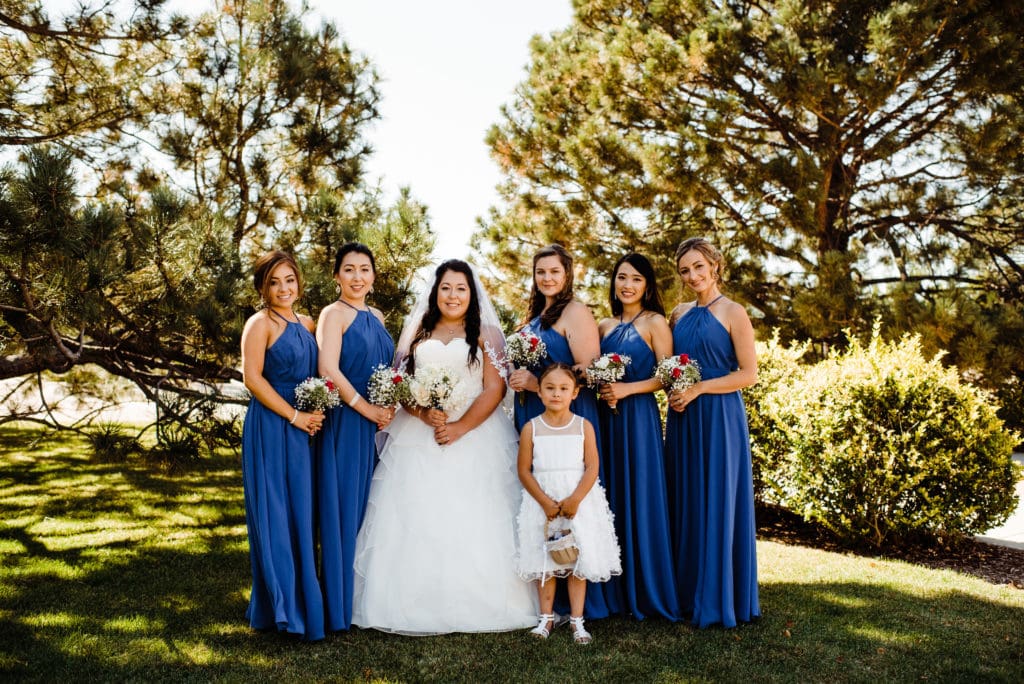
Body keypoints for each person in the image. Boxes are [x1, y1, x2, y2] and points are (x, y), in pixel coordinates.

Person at [351, 259, 537, 634]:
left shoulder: (486, 333)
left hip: (476, 431)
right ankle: (408, 599)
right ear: (435, 292)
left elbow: (493, 388)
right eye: (446, 288)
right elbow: (401, 383)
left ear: (472, 294)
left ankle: (481, 600)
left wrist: (460, 427)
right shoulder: (418, 331)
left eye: (461, 288)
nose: (453, 296)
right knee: (414, 513)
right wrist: (421, 413)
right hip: (419, 433)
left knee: (476, 515)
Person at [506, 244, 611, 619]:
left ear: (567, 274)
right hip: (533, 419)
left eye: (554, 271)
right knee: (540, 498)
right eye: (540, 272)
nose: (547, 278)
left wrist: (538, 384)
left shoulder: (576, 312)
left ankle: (578, 600)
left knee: (571, 499)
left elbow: (587, 368)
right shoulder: (534, 316)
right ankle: (547, 595)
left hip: (567, 416)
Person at [664, 237, 760, 628]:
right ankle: (686, 593)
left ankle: (720, 596)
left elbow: (748, 375)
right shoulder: (677, 314)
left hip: (720, 417)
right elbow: (670, 364)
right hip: (683, 417)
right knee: (686, 498)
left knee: (717, 497)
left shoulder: (734, 312)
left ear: (715, 265)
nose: (693, 276)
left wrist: (701, 387)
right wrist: (675, 391)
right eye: (685, 270)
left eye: (699, 267)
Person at [239, 250, 325, 641]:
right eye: (274, 282)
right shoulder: (260, 324)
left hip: (306, 426)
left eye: (289, 279)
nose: (283, 288)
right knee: (273, 511)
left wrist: (316, 409)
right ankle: (280, 609)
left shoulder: (308, 323)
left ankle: (304, 599)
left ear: (299, 282)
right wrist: (293, 416)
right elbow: (253, 380)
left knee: (301, 513)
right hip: (273, 425)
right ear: (262, 288)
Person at [315, 243, 395, 632]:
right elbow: (328, 368)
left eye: (365, 269)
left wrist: (390, 406)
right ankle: (337, 605)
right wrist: (366, 409)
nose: (357, 277)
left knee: (369, 508)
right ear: (336, 276)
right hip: (347, 421)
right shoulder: (333, 314)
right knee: (343, 508)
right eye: (349, 269)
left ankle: (366, 595)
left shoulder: (377, 315)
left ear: (374, 276)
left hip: (378, 422)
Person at [595, 253, 679, 621]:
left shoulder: (655, 322)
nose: (627, 285)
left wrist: (627, 391)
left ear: (647, 286)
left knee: (640, 495)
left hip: (640, 418)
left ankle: (646, 589)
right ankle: (610, 590)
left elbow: (668, 376)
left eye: (636, 279)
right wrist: (601, 385)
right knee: (609, 496)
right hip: (605, 419)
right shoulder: (602, 325)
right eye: (621, 277)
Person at [516, 363, 621, 645]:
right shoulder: (532, 428)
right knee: (545, 562)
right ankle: (546, 618)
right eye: (550, 388)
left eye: (564, 389)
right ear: (539, 391)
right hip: (543, 501)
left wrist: (575, 499)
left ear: (575, 393)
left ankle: (577, 620)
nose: (556, 394)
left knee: (577, 560)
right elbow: (524, 470)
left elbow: (592, 466)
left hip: (579, 500)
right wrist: (545, 502)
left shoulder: (583, 426)